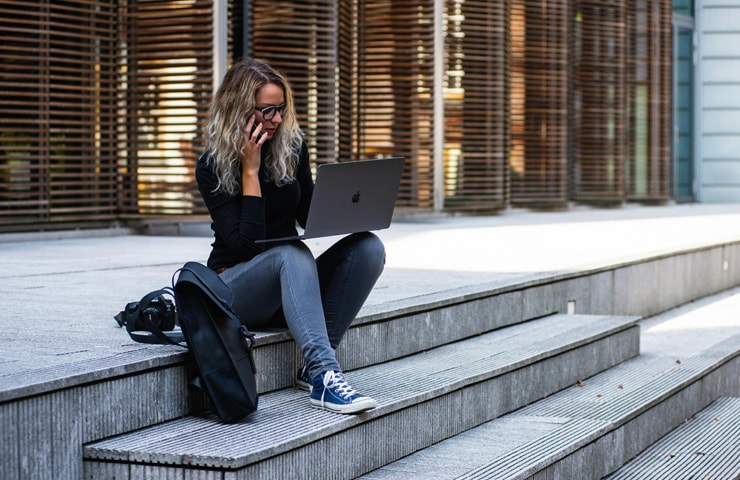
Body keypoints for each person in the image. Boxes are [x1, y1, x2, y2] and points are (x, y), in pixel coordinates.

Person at [195, 59, 385, 415]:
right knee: (292, 253)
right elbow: (244, 245)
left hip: (286, 287)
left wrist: (351, 205)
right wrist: (250, 170)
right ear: (239, 110)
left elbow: (306, 216)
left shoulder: (292, 148)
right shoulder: (211, 166)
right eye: (268, 111)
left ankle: (311, 366)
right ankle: (324, 377)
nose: (278, 120)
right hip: (234, 290)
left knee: (368, 247)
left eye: (281, 109)